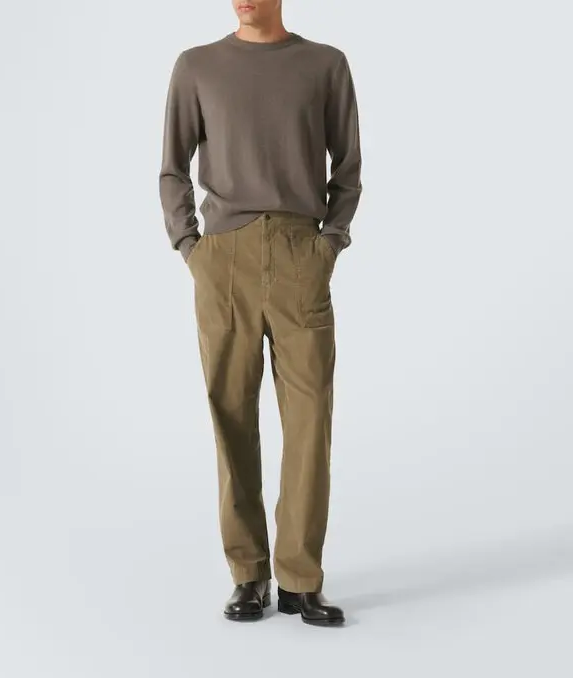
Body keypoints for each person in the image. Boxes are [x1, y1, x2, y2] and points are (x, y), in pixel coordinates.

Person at [158, 0, 362, 626]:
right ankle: (248, 575)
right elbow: (172, 168)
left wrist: (329, 242)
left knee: (310, 418)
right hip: (224, 259)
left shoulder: (324, 64)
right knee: (231, 415)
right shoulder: (197, 66)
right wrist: (192, 248)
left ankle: (301, 578)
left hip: (302, 254)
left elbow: (348, 167)